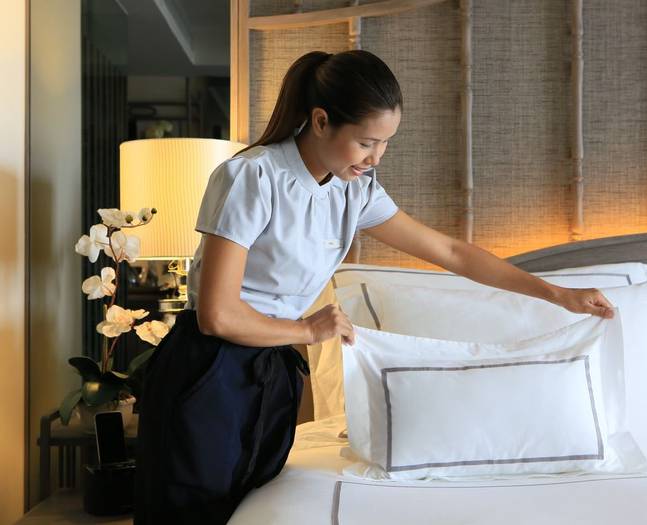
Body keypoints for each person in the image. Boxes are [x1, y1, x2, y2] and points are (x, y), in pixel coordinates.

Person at [133, 49, 615, 524]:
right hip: (209, 370)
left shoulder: (354, 189)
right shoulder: (253, 176)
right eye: (366, 142)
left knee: (248, 514)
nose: (375, 157)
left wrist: (557, 294)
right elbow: (217, 316)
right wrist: (308, 330)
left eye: (385, 143)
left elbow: (452, 253)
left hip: (271, 372)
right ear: (321, 121)